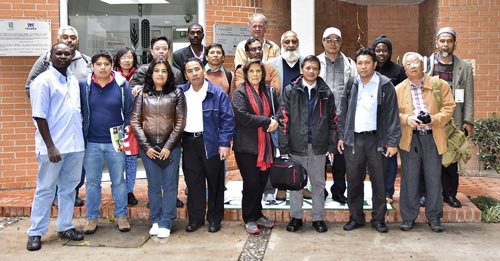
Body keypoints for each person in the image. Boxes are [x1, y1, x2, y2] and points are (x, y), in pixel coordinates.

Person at [27, 42, 85, 251]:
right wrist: (50, 146)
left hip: (75, 145)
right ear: (50, 56)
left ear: (72, 57)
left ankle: (65, 226)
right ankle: (35, 232)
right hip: (53, 148)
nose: (62, 56)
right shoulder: (42, 82)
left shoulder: (73, 80)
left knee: (69, 189)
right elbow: (39, 116)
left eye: (66, 54)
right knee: (45, 189)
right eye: (58, 53)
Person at [337, 48, 401, 233]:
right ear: (356, 65)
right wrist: (342, 136)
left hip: (377, 140)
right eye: (360, 63)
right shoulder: (351, 84)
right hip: (354, 140)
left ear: (374, 64)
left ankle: (378, 219)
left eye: (367, 63)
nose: (363, 67)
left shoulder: (385, 85)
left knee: (379, 181)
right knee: (354, 180)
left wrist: (393, 142)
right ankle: (355, 217)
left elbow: (392, 115)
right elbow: (342, 112)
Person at [26, 25, 91, 207]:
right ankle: (37, 230)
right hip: (53, 134)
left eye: (72, 38)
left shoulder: (81, 66)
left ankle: (67, 217)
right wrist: (47, 105)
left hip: (77, 133)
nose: (69, 41)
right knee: (46, 185)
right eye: (65, 37)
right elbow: (32, 92)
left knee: (72, 180)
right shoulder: (44, 69)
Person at [395, 52, 455, 232]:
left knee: (433, 177)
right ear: (404, 69)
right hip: (410, 138)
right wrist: (406, 119)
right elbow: (392, 114)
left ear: (423, 65)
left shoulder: (439, 85)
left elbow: (449, 107)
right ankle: (408, 217)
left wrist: (433, 119)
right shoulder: (398, 89)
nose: (413, 66)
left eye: (416, 62)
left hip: (432, 137)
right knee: (409, 179)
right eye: (409, 64)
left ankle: (434, 217)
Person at [278, 55, 336, 233]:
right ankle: (296, 217)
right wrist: (284, 146)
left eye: (315, 68)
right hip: (297, 145)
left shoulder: (326, 93)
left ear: (319, 71)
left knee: (318, 184)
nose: (311, 71)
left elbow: (333, 121)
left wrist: (331, 146)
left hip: (318, 147)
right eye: (308, 68)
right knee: (296, 184)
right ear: (302, 70)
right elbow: (283, 119)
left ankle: (318, 218)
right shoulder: (290, 90)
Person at [130, 58, 186, 239]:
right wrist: (146, 147)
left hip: (171, 147)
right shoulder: (143, 94)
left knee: (169, 185)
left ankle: (166, 221)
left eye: (164, 71)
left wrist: (169, 146)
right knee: (153, 185)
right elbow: (135, 121)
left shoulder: (177, 93)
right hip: (149, 148)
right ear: (151, 74)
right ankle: (155, 219)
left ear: (169, 74)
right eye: (157, 71)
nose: (160, 74)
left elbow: (180, 122)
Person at [79, 51, 134, 234]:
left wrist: (124, 129)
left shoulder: (121, 84)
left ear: (112, 66)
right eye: (99, 64)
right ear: (92, 66)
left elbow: (129, 110)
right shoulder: (84, 86)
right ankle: (91, 218)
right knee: (93, 182)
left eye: (106, 64)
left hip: (115, 141)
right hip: (91, 142)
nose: (103, 67)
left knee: (118, 181)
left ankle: (121, 215)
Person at [178, 58, 235, 233]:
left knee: (215, 182)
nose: (194, 73)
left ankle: (214, 219)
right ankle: (195, 219)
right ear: (186, 76)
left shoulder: (217, 94)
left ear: (203, 70)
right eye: (190, 71)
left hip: (211, 142)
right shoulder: (179, 93)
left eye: (197, 69)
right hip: (189, 142)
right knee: (193, 182)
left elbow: (227, 120)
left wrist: (224, 143)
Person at [428, 27, 474, 208]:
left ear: (455, 43)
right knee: (431, 158)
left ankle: (450, 194)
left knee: (451, 159)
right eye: (442, 41)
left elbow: (469, 95)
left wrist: (468, 121)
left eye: (449, 41)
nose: (445, 44)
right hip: (432, 119)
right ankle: (431, 193)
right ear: (436, 43)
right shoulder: (427, 65)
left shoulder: (464, 67)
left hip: (454, 120)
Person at [231, 58, 278, 234]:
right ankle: (249, 217)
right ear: (246, 74)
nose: (255, 74)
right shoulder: (239, 93)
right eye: (251, 71)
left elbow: (278, 112)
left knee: (261, 183)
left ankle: (258, 214)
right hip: (246, 148)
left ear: (263, 74)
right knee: (251, 183)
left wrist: (276, 121)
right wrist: (268, 121)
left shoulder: (269, 92)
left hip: (266, 146)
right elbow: (243, 117)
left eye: (258, 71)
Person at [317, 27, 357, 205]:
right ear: (323, 41)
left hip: (342, 116)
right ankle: (320, 189)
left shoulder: (349, 63)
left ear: (341, 42)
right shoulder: (316, 62)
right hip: (320, 116)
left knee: (341, 156)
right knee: (319, 156)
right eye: (329, 39)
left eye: (336, 40)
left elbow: (355, 88)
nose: (333, 43)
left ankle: (339, 190)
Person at [265, 30, 304, 202]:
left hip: (303, 118)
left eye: (293, 42)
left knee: (303, 153)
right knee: (281, 152)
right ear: (282, 44)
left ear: (298, 43)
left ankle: (303, 185)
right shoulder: (270, 65)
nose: (290, 45)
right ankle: (281, 186)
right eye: (286, 42)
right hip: (280, 118)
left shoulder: (307, 63)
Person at [371, 35, 407, 204]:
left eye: (384, 50)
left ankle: (388, 192)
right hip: (371, 122)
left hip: (390, 121)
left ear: (390, 52)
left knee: (389, 157)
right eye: (378, 50)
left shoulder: (398, 71)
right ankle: (375, 191)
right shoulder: (369, 69)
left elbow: (403, 96)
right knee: (373, 160)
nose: (381, 53)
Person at [114, 47, 140, 206]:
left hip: (134, 125)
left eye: (129, 57)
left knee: (131, 160)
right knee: (118, 159)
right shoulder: (111, 76)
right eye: (123, 57)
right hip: (116, 126)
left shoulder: (141, 75)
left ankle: (129, 191)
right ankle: (119, 191)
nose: (126, 60)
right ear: (117, 60)